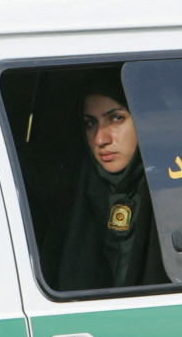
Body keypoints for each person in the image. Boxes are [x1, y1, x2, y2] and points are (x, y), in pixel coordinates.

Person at [51, 72, 166, 290]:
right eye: (90, 123)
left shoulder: (174, 189)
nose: (100, 139)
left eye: (116, 118)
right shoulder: (75, 194)